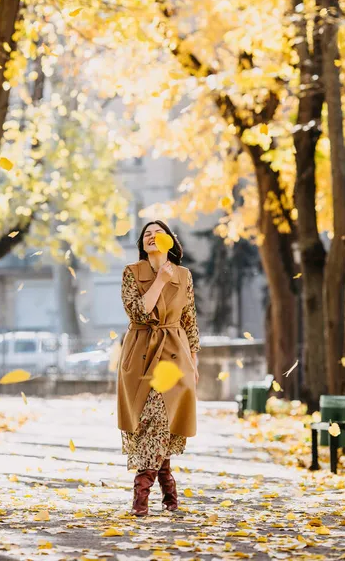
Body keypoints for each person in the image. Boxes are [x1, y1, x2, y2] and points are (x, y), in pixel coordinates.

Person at [117, 220, 200, 516]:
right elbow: (139, 310)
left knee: (161, 421)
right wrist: (161, 280)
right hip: (140, 354)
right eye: (146, 235)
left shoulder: (184, 275)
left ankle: (141, 498)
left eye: (158, 234)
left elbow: (189, 320)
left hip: (175, 354)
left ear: (170, 241)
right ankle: (169, 493)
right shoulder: (131, 273)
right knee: (152, 423)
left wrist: (194, 360)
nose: (152, 238)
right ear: (142, 244)